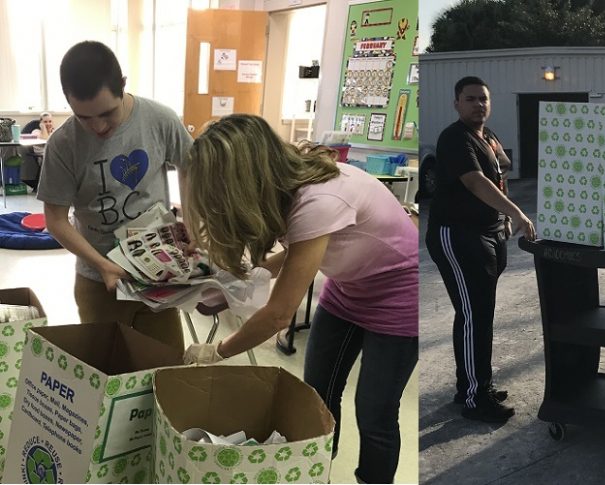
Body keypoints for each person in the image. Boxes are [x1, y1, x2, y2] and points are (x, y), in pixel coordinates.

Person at [181, 114, 418, 484]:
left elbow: (279, 315)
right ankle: (316, 473)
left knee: (374, 412)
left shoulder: (317, 199)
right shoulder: (287, 184)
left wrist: (218, 351)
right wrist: (236, 287)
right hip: (348, 289)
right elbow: (297, 253)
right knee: (317, 396)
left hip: (400, 297)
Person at [39, 41, 192, 349]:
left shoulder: (159, 119)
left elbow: (191, 168)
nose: (97, 127)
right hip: (99, 281)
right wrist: (101, 264)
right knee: (107, 375)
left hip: (158, 273)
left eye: (107, 113)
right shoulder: (63, 144)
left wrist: (191, 221)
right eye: (83, 117)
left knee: (166, 369)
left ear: (122, 85)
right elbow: (55, 220)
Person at [425, 76, 536, 424]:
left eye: (483, 99)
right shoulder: (454, 138)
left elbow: (500, 174)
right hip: (457, 236)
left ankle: (471, 385)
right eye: (470, 99)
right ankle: (476, 397)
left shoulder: (487, 137)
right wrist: (515, 212)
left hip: (487, 235)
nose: (478, 105)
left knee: (478, 313)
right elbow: (476, 182)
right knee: (475, 315)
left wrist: (501, 221)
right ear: (457, 103)